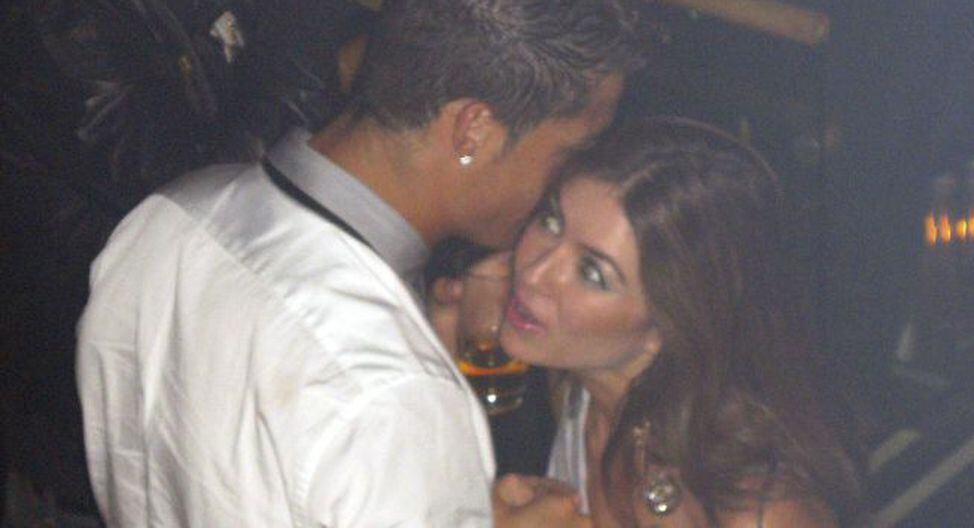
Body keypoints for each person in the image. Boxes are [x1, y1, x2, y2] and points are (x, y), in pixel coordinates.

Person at [75, 0, 642, 526]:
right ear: (473, 130)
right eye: (573, 152)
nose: (570, 181)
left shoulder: (164, 219)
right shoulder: (392, 393)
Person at [432, 117, 861, 527]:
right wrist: (438, 369)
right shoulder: (577, 388)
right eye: (550, 222)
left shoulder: (757, 510)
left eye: (592, 273)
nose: (534, 272)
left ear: (666, 327)